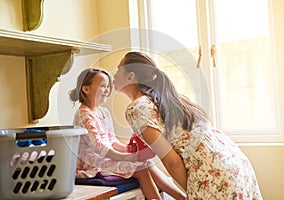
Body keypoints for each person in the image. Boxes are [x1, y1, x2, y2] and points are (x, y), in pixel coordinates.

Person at [113, 51, 263, 199]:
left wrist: (195, 193)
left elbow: (173, 162)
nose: (114, 75)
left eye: (118, 70)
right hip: (236, 166)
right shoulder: (167, 99)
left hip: (214, 174)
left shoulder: (137, 109)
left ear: (131, 76)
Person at [69, 68, 187, 200]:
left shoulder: (104, 113)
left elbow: (111, 140)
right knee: (142, 169)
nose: (107, 90)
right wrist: (126, 157)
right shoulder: (84, 114)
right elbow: (98, 147)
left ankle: (183, 197)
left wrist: (128, 150)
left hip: (107, 156)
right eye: (103, 86)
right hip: (93, 163)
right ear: (86, 89)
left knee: (147, 162)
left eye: (108, 86)